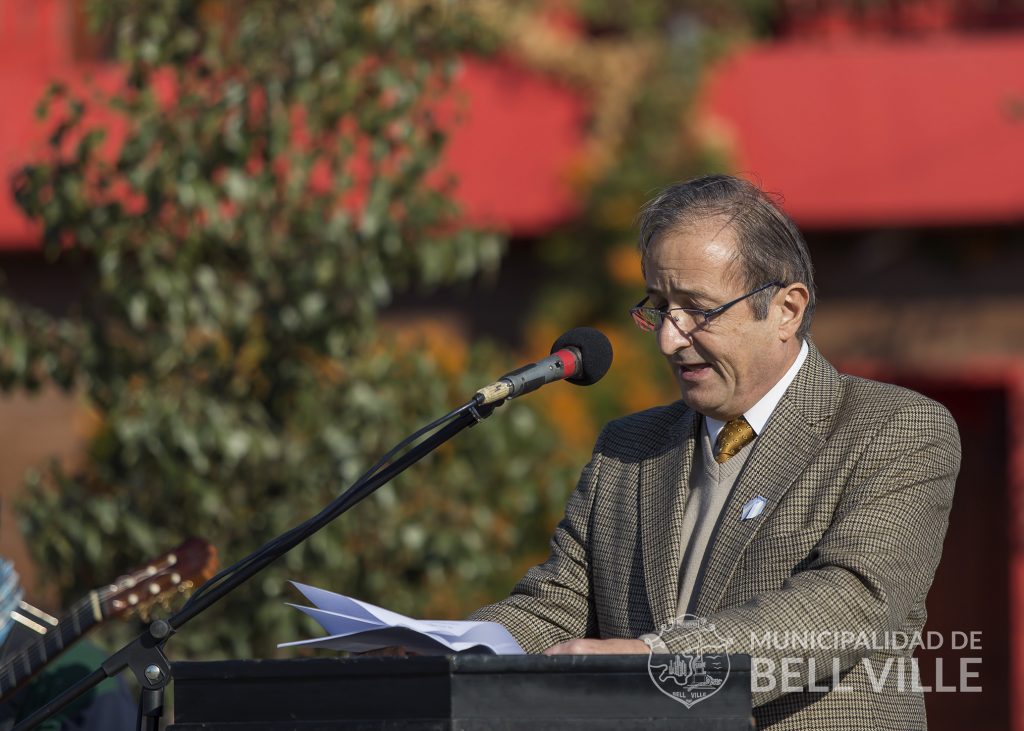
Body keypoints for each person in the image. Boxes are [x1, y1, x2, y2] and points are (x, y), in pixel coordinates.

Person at [469, 174, 961, 730]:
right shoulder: (627, 449)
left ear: (786, 309)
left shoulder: (893, 429)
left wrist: (656, 659)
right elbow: (556, 608)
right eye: (660, 307)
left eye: (697, 310)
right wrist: (449, 651)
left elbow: (848, 603)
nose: (669, 338)